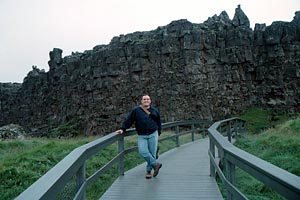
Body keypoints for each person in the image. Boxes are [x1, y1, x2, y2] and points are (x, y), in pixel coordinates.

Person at [115, 94, 162, 179]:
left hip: (153, 134)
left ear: (150, 101)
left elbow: (158, 122)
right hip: (142, 135)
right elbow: (129, 120)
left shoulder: (155, 110)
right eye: (144, 99)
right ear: (141, 101)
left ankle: (148, 171)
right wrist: (123, 129)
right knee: (143, 151)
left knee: (152, 153)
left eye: (148, 99)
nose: (146, 100)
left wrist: (159, 133)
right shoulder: (136, 110)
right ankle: (155, 164)